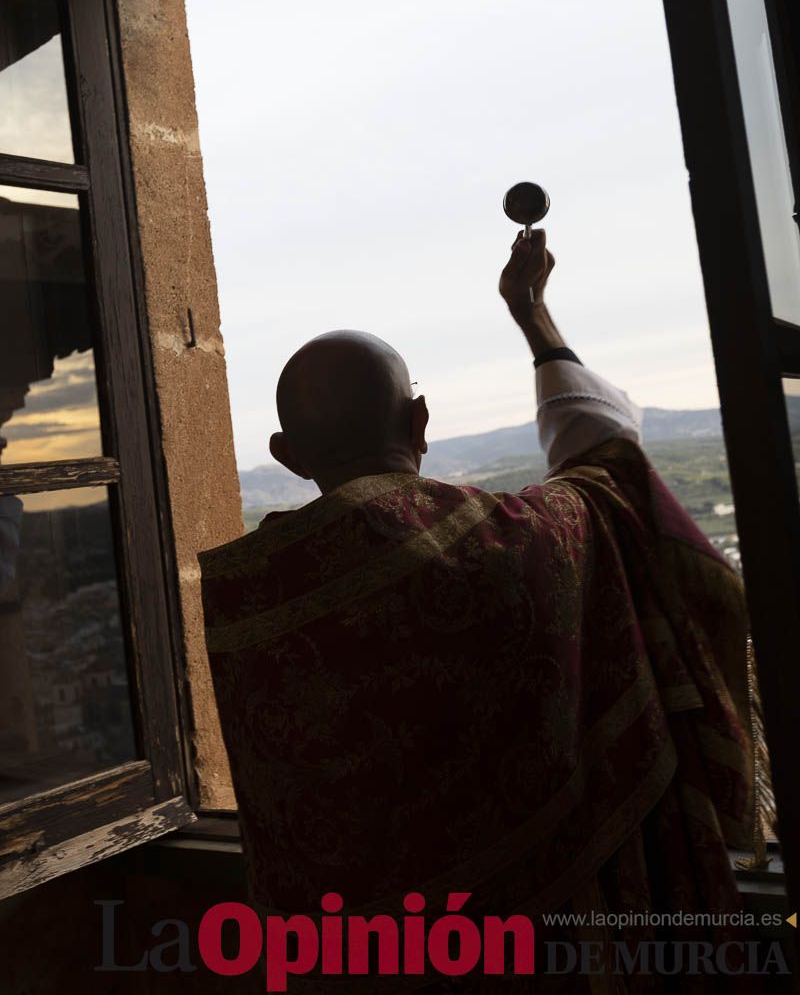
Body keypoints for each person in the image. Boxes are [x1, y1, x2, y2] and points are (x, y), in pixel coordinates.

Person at [199, 232, 757, 991]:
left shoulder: (254, 601)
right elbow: (608, 466)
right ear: (421, 421)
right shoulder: (517, 544)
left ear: (287, 455)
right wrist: (535, 322)